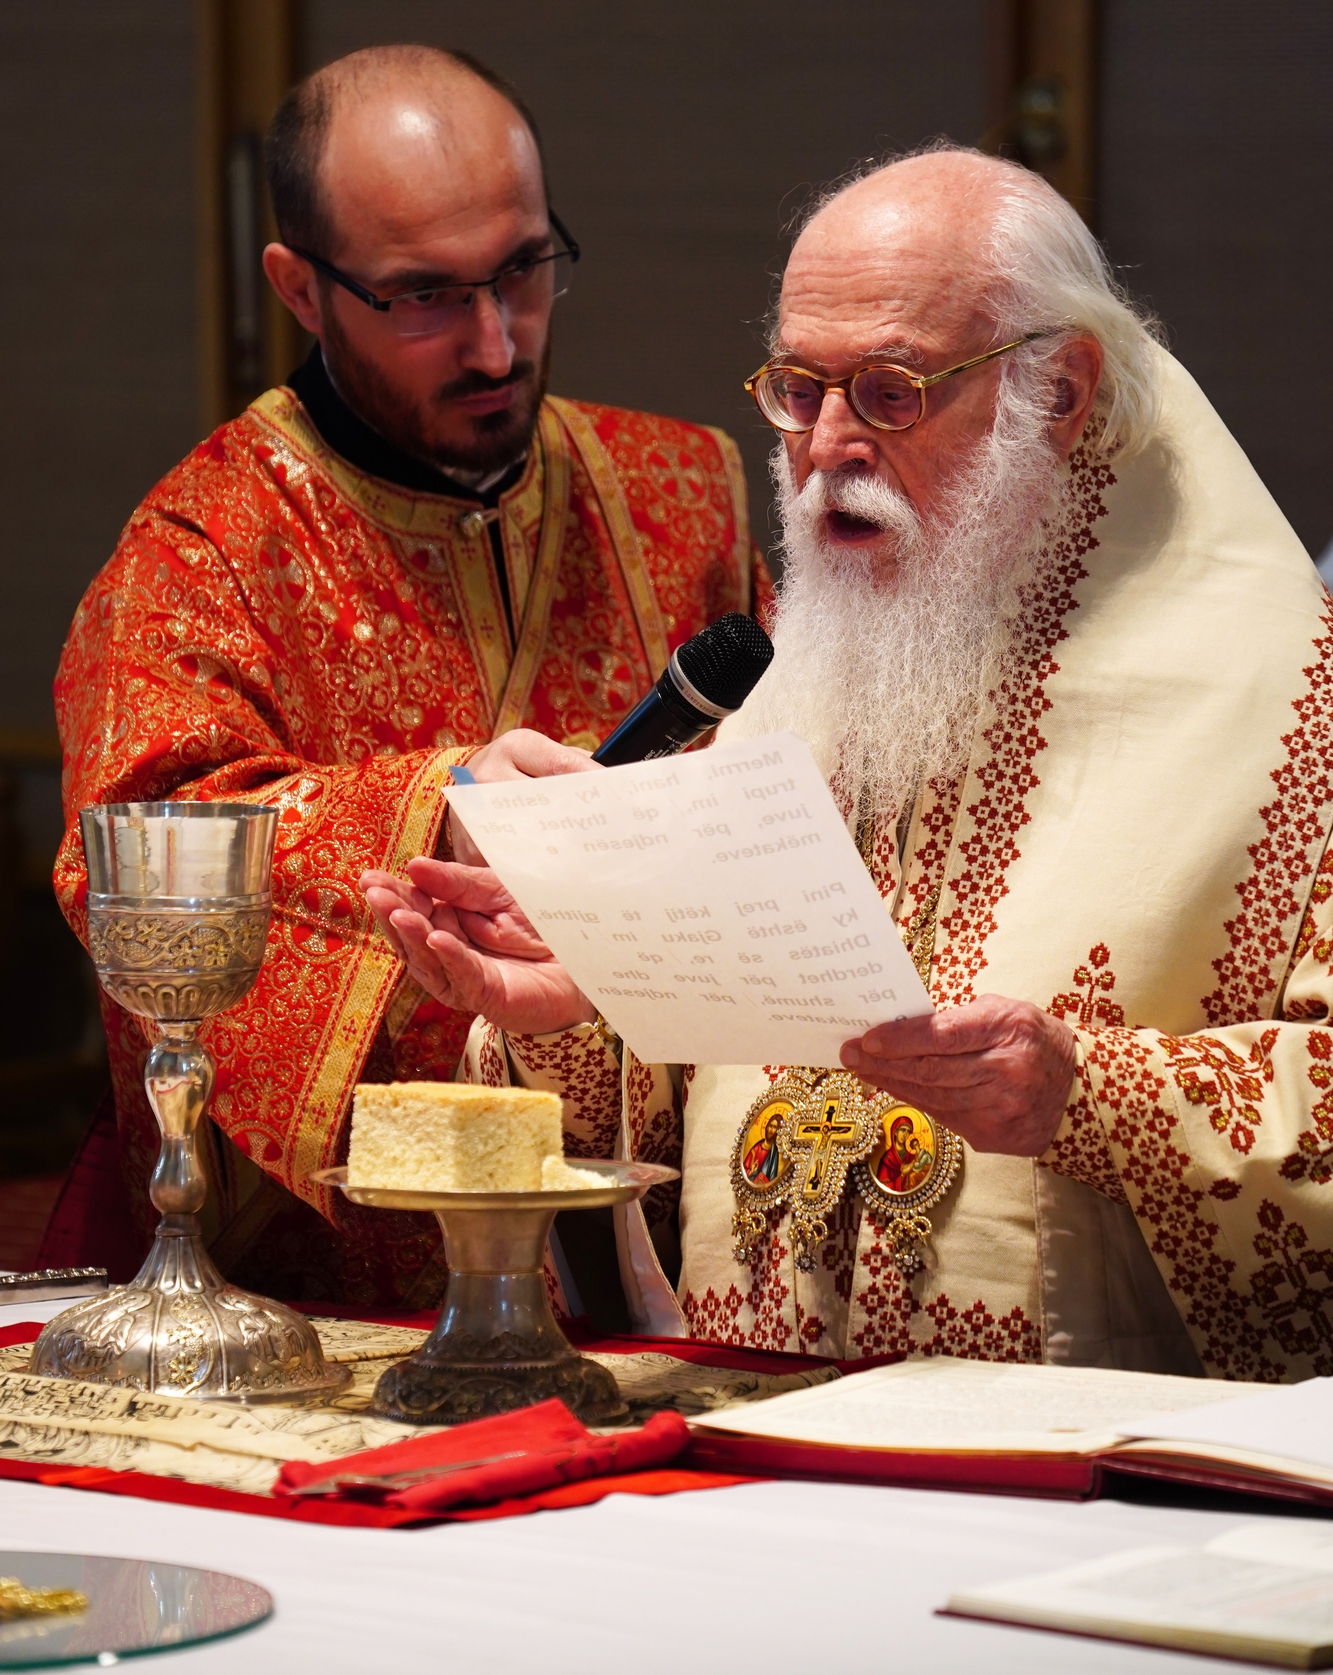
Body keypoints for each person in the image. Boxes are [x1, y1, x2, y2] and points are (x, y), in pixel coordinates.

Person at [365, 145, 1333, 1379]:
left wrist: (1088, 1098)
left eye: (887, 390)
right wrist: (583, 1009)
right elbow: (678, 1126)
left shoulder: (1290, 709)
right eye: (798, 388)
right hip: (751, 1429)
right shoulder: (807, 677)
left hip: (1085, 1486)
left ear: (1060, 386)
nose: (826, 444)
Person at [50, 44, 768, 1305]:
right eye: (424, 295)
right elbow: (136, 850)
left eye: (525, 269)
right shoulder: (207, 543)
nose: (495, 342)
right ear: (301, 287)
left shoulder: (682, 491)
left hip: (692, 1242)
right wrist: (433, 803)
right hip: (351, 1296)